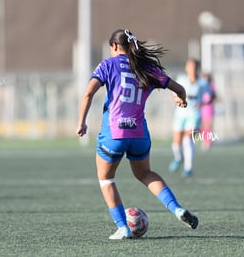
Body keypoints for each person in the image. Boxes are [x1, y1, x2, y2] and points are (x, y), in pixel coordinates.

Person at [76, 29, 199, 239]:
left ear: (114, 47)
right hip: (139, 133)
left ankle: (123, 227)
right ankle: (177, 209)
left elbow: (88, 93)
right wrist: (181, 99)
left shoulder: (108, 64)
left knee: (106, 178)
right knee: (144, 174)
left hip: (114, 134)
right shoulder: (146, 67)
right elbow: (179, 89)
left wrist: (82, 123)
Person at [168, 58, 211, 177]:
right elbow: (173, 94)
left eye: (194, 66)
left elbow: (212, 96)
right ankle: (178, 158)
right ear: (186, 68)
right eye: (189, 66)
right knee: (176, 143)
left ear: (197, 68)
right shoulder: (181, 79)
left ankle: (188, 168)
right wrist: (178, 100)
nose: (192, 68)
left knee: (188, 140)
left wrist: (203, 103)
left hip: (194, 115)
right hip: (180, 114)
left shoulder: (202, 82)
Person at [200, 72, 216, 151]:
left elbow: (213, 96)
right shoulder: (201, 85)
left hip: (208, 108)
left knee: (208, 126)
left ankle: (209, 141)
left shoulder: (211, 85)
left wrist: (206, 102)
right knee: (203, 126)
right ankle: (204, 140)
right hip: (202, 108)